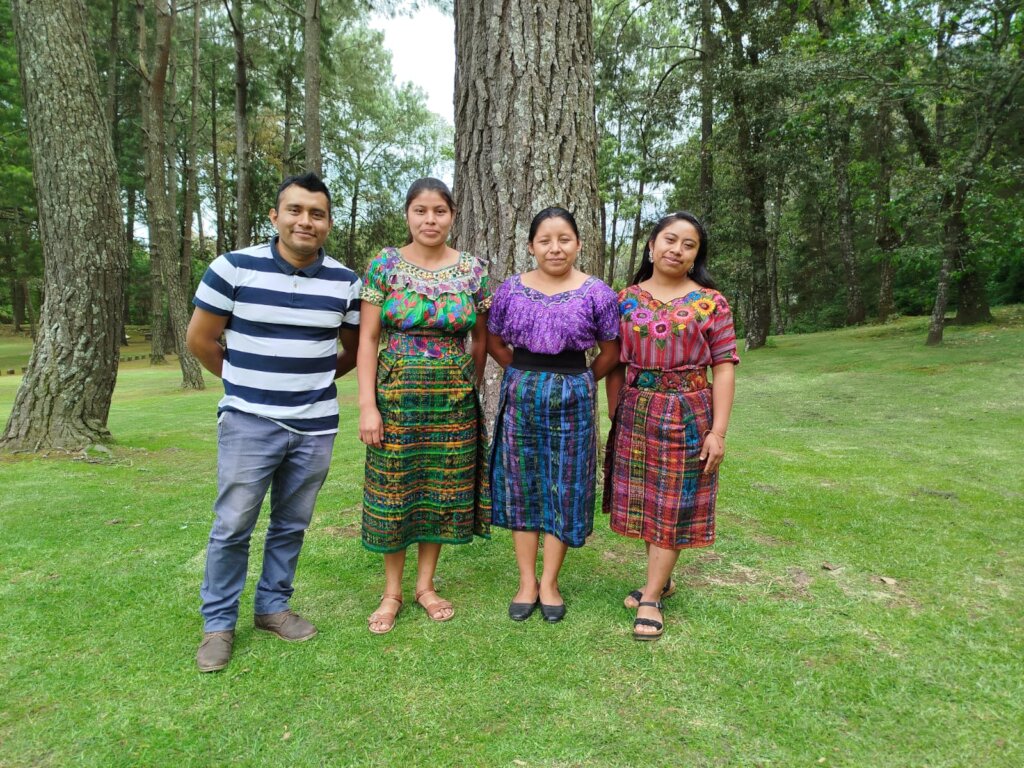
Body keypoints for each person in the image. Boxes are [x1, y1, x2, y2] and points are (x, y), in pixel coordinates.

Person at [186, 172, 361, 672]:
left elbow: (349, 353)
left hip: (315, 425)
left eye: (317, 213)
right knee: (232, 524)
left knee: (291, 523)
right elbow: (200, 340)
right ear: (275, 216)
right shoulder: (232, 268)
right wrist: (242, 383)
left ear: (328, 223)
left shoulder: (346, 283)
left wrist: (310, 384)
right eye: (295, 210)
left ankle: (271, 608)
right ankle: (218, 625)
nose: (306, 221)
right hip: (248, 422)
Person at [357, 177, 491, 634]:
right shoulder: (384, 266)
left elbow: (481, 337)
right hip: (395, 396)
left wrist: (466, 385)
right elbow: (369, 338)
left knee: (438, 489)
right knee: (395, 490)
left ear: (453, 215)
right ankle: (391, 591)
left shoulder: (473, 269)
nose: (430, 219)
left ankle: (425, 585)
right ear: (408, 215)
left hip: (453, 400)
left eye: (439, 211)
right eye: (420, 210)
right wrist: (366, 405)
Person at [603, 211, 738, 641]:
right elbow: (615, 360)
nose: (676, 250)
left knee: (674, 503)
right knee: (649, 503)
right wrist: (615, 411)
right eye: (669, 240)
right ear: (651, 245)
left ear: (696, 255)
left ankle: (651, 598)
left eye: (688, 244)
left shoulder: (710, 303)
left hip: (689, 410)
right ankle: (659, 581)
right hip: (637, 409)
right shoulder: (623, 300)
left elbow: (725, 366)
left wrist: (718, 431)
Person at [487, 207, 619, 622]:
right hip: (521, 391)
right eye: (545, 240)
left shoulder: (598, 292)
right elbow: (493, 341)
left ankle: (550, 582)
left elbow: (611, 351)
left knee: (565, 482)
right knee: (522, 484)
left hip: (574, 395)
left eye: (564, 239)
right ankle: (526, 581)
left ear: (579, 244)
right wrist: (523, 377)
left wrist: (579, 381)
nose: (555, 248)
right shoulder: (510, 290)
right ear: (531, 246)